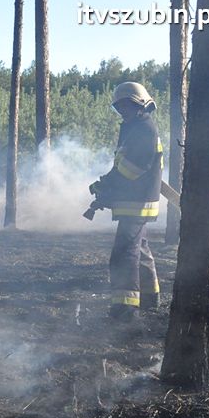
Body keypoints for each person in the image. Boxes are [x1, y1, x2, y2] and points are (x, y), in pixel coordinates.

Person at [88, 81, 163, 321]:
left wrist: (111, 187)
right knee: (140, 249)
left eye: (126, 106)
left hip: (137, 201)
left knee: (123, 255)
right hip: (134, 200)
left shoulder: (144, 129)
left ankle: (125, 310)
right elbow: (121, 166)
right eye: (119, 107)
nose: (122, 111)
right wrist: (105, 182)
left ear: (140, 104)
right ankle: (151, 298)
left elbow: (133, 169)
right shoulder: (134, 127)